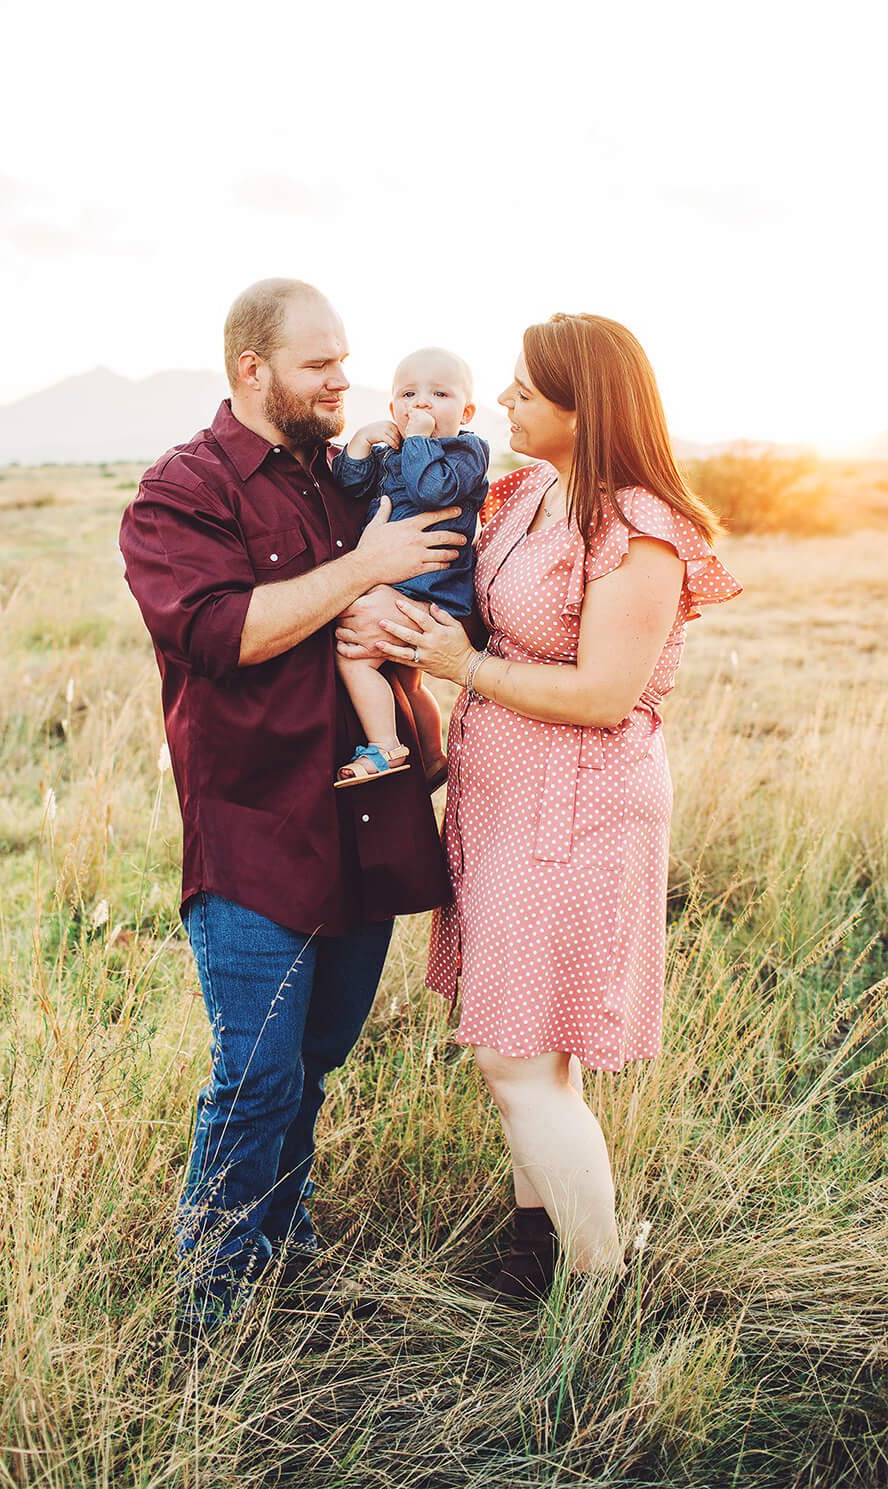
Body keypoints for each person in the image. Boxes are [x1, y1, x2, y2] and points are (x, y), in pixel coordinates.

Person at [348, 312, 741, 1299]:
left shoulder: (641, 529)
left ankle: (599, 1285)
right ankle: (536, 1246)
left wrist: (455, 663)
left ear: (585, 405)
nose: (508, 398)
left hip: (574, 802)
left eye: (526, 387)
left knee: (513, 1054)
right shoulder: (525, 492)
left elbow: (607, 692)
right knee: (521, 1043)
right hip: (498, 792)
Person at [118, 278, 465, 1332]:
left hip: (364, 813)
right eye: (320, 364)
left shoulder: (344, 474)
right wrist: (365, 566)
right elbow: (219, 634)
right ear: (250, 370)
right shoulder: (180, 491)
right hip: (253, 822)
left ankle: (285, 1240)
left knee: (315, 1058)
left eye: (344, 359)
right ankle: (209, 1308)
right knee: (256, 1070)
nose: (341, 379)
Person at [328, 348, 487, 787]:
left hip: (430, 589)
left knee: (354, 658)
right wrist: (361, 443)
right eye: (408, 394)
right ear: (393, 407)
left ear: (466, 410)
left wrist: (418, 439)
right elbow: (351, 486)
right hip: (402, 586)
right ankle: (432, 756)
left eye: (439, 394)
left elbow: (433, 490)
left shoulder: (467, 452)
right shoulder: (391, 453)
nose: (422, 404)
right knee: (408, 683)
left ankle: (386, 747)